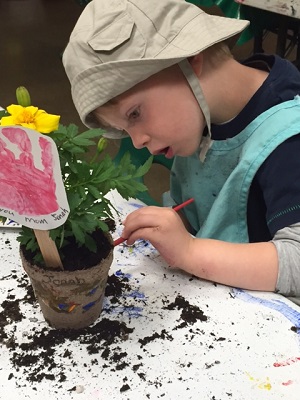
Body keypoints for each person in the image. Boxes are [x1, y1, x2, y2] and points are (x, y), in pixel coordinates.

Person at [63, 0, 300, 305]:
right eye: (123, 129)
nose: (136, 141)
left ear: (190, 60)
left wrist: (188, 250)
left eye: (134, 114)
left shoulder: (288, 138)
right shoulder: (195, 118)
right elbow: (193, 211)